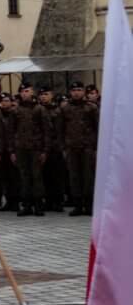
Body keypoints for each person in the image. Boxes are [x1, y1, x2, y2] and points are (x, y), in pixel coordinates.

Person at [58, 81, 99, 216]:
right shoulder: (65, 109)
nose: (76, 92)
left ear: (83, 92)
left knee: (88, 177)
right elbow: (60, 130)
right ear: (70, 92)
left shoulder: (91, 108)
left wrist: (96, 147)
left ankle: (88, 205)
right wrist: (63, 147)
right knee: (74, 177)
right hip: (71, 148)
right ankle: (77, 205)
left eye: (79, 90)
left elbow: (98, 128)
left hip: (87, 148)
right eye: (74, 90)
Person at [10, 84, 49, 216]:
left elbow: (46, 131)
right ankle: (26, 205)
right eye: (22, 92)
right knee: (24, 177)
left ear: (32, 92)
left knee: (37, 176)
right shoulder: (15, 110)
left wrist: (45, 150)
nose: (24, 94)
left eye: (27, 91)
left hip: (36, 149)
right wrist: (12, 151)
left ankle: (38, 204)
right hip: (21, 149)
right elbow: (11, 131)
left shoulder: (39, 109)